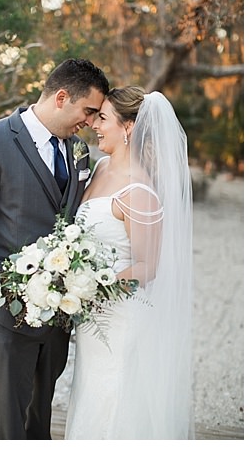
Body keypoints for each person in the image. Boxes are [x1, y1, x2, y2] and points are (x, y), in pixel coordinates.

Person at [0, 58, 110, 439]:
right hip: (5, 312)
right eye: (88, 111)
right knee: (9, 421)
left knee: (40, 417)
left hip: (58, 313)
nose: (90, 122)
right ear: (61, 97)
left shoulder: (79, 153)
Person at [64, 87, 194, 439]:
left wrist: (92, 289)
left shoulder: (140, 192)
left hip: (119, 319)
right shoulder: (101, 166)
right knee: (92, 392)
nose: (94, 125)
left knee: (115, 397)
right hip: (93, 320)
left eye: (102, 118)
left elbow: (147, 267)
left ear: (129, 128)